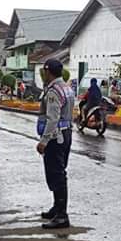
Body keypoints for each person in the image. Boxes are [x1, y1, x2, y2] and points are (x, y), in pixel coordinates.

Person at [36, 59, 75, 229]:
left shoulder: (53, 91)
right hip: (66, 133)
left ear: (48, 71)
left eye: (44, 72)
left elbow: (53, 118)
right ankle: (57, 208)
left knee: (56, 174)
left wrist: (43, 141)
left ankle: (61, 215)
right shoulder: (66, 88)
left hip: (55, 136)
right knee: (59, 171)